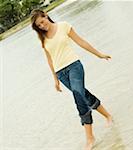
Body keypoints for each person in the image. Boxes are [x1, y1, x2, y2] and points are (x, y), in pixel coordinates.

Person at [30, 9, 113, 150]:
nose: (42, 26)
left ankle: (90, 137)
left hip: (74, 66)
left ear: (45, 15)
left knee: (78, 94)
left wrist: (99, 54)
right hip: (61, 74)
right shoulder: (43, 38)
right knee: (84, 95)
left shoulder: (64, 26)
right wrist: (55, 79)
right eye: (39, 26)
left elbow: (81, 42)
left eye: (42, 22)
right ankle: (108, 116)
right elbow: (50, 59)